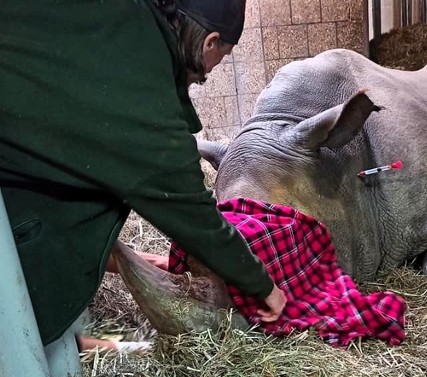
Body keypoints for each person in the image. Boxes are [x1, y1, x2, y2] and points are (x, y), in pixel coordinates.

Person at [0, 0, 286, 349]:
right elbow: (194, 215)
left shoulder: (121, 20)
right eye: (221, 57)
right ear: (210, 42)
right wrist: (264, 287)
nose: (207, 73)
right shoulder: (140, 92)